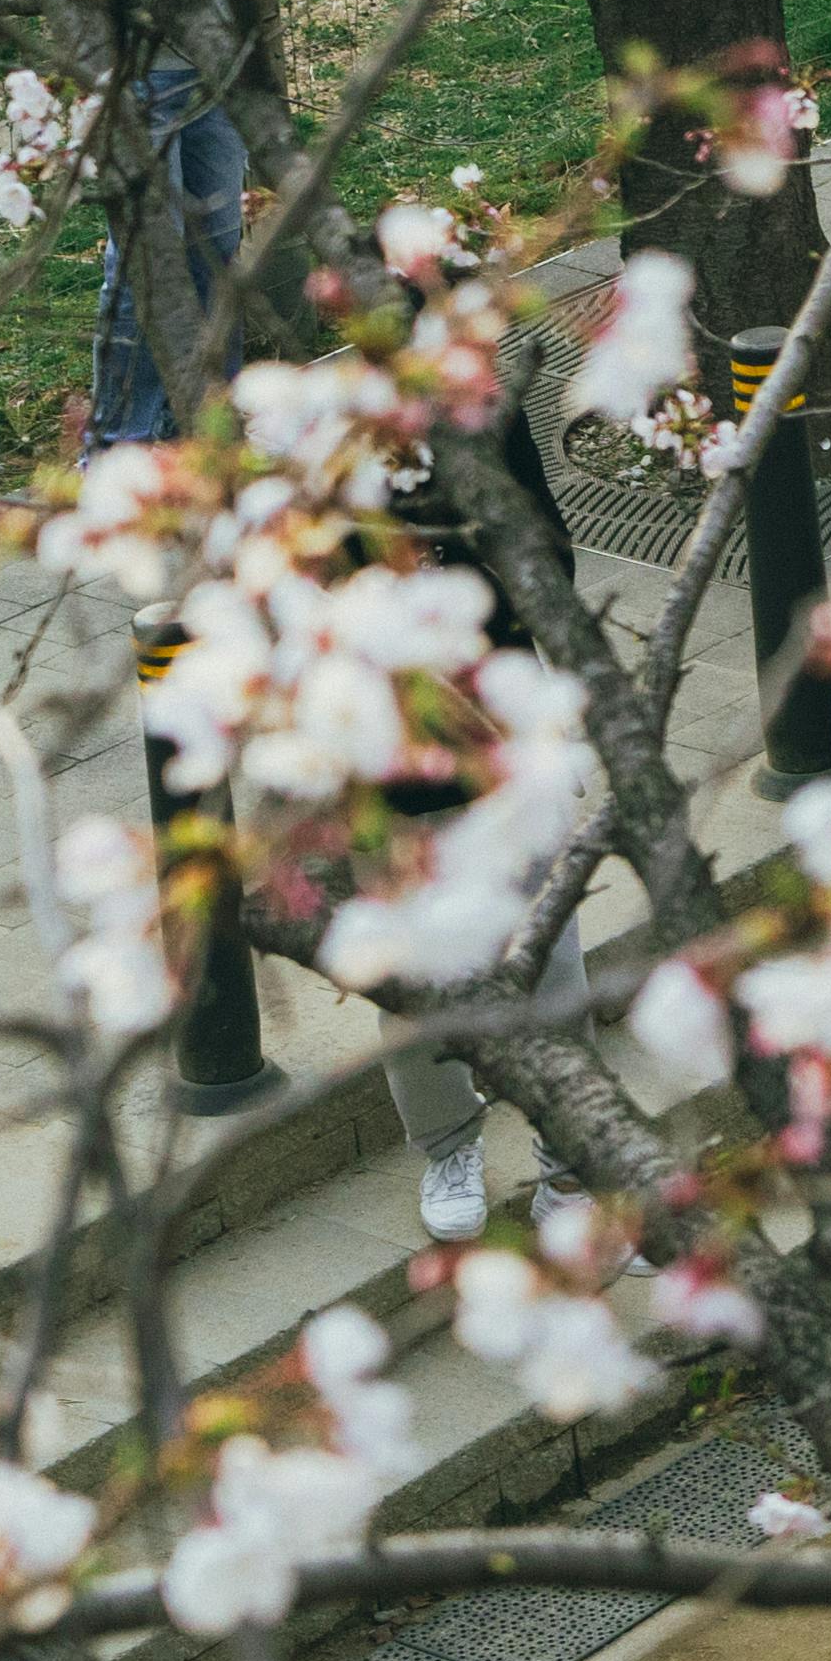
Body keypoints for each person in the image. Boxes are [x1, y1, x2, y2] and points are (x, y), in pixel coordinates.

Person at [362, 386, 601, 1238]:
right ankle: (448, 1141)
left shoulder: (477, 407)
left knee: (548, 951)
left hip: (500, 717)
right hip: (378, 736)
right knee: (415, 970)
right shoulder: (300, 428)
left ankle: (571, 1155)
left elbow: (548, 556)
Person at [81, 0, 291, 451]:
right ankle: (119, 446)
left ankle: (209, 431)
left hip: (217, 44)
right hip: (135, 48)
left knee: (218, 245)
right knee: (147, 254)